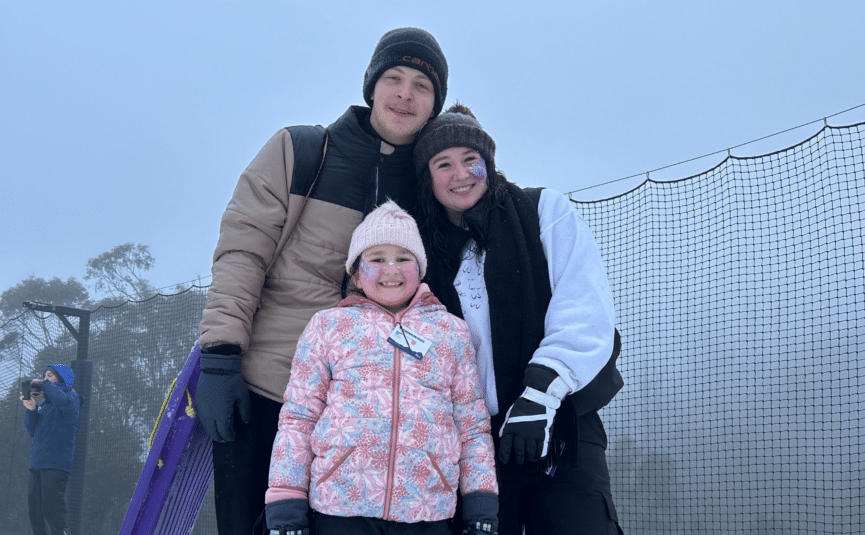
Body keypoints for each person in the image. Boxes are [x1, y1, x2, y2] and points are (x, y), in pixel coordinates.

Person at [195, 28, 450, 534]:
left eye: (422, 84)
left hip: (374, 417)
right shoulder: (303, 151)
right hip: (274, 387)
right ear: (371, 86)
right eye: (394, 78)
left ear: (435, 102)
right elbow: (242, 251)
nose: (405, 93)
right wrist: (221, 357)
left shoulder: (433, 181)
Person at [413, 104, 624, 535]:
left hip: (559, 423)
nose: (461, 174)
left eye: (471, 160)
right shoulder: (419, 253)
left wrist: (538, 398)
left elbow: (584, 308)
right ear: (427, 176)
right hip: (475, 447)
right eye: (443, 164)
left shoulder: (543, 211)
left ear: (488, 164)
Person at [264, 201, 498, 535]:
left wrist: (481, 501)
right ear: (356, 274)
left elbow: (472, 425)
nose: (391, 269)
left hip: (427, 509)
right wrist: (286, 502)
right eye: (377, 259)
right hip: (340, 506)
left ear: (420, 269)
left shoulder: (452, 332)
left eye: (403, 258)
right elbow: (299, 418)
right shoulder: (328, 326)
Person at [20, 364, 83, 535]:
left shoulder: (72, 398)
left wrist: (41, 383)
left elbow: (61, 399)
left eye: (50, 376)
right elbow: (31, 430)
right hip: (36, 464)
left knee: (51, 508)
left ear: (62, 378)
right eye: (44, 376)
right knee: (35, 511)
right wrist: (32, 409)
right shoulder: (44, 406)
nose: (45, 379)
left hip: (56, 463)